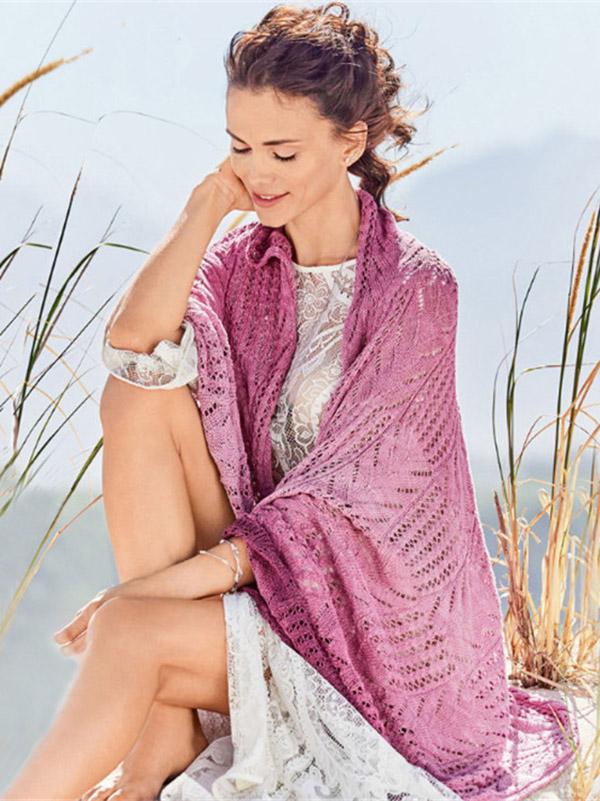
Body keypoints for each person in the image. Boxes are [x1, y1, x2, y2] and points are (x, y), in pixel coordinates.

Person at [2, 3, 578, 801]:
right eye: (241, 147)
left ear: (351, 142)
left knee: (128, 628)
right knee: (137, 396)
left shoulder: (415, 289)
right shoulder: (241, 264)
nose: (260, 174)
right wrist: (207, 204)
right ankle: (165, 726)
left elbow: (337, 509)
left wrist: (146, 594)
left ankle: (148, 739)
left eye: (283, 151)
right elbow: (134, 348)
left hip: (365, 627)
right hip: (254, 573)